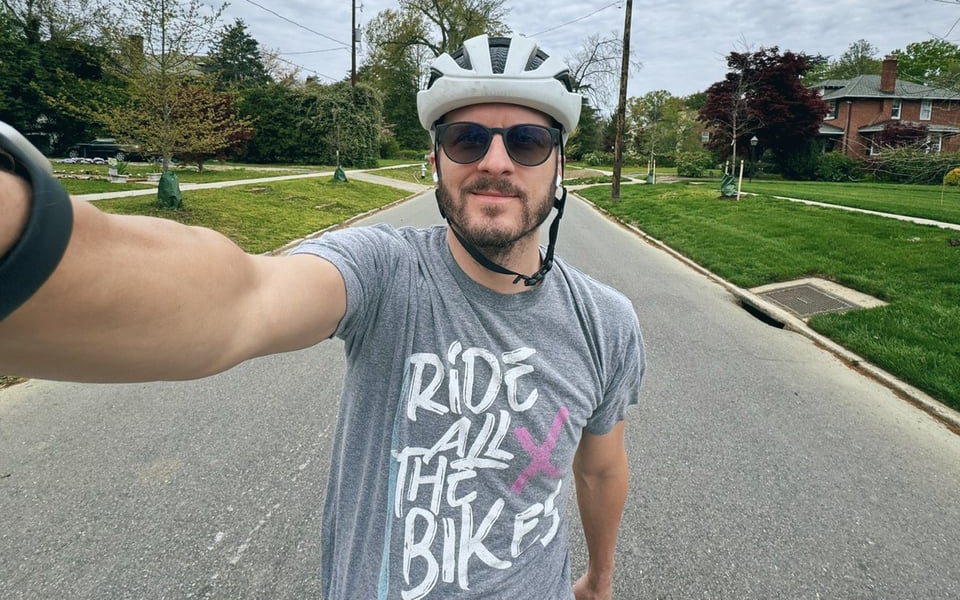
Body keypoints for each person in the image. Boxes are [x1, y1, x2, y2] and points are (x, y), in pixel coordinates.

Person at [0, 34, 645, 600]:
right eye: (466, 138)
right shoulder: (386, 270)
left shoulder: (605, 323)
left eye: (528, 141)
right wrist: (24, 235)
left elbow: (599, 468)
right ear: (436, 160)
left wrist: (600, 578)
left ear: (560, 164)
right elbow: (241, 299)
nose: (495, 162)